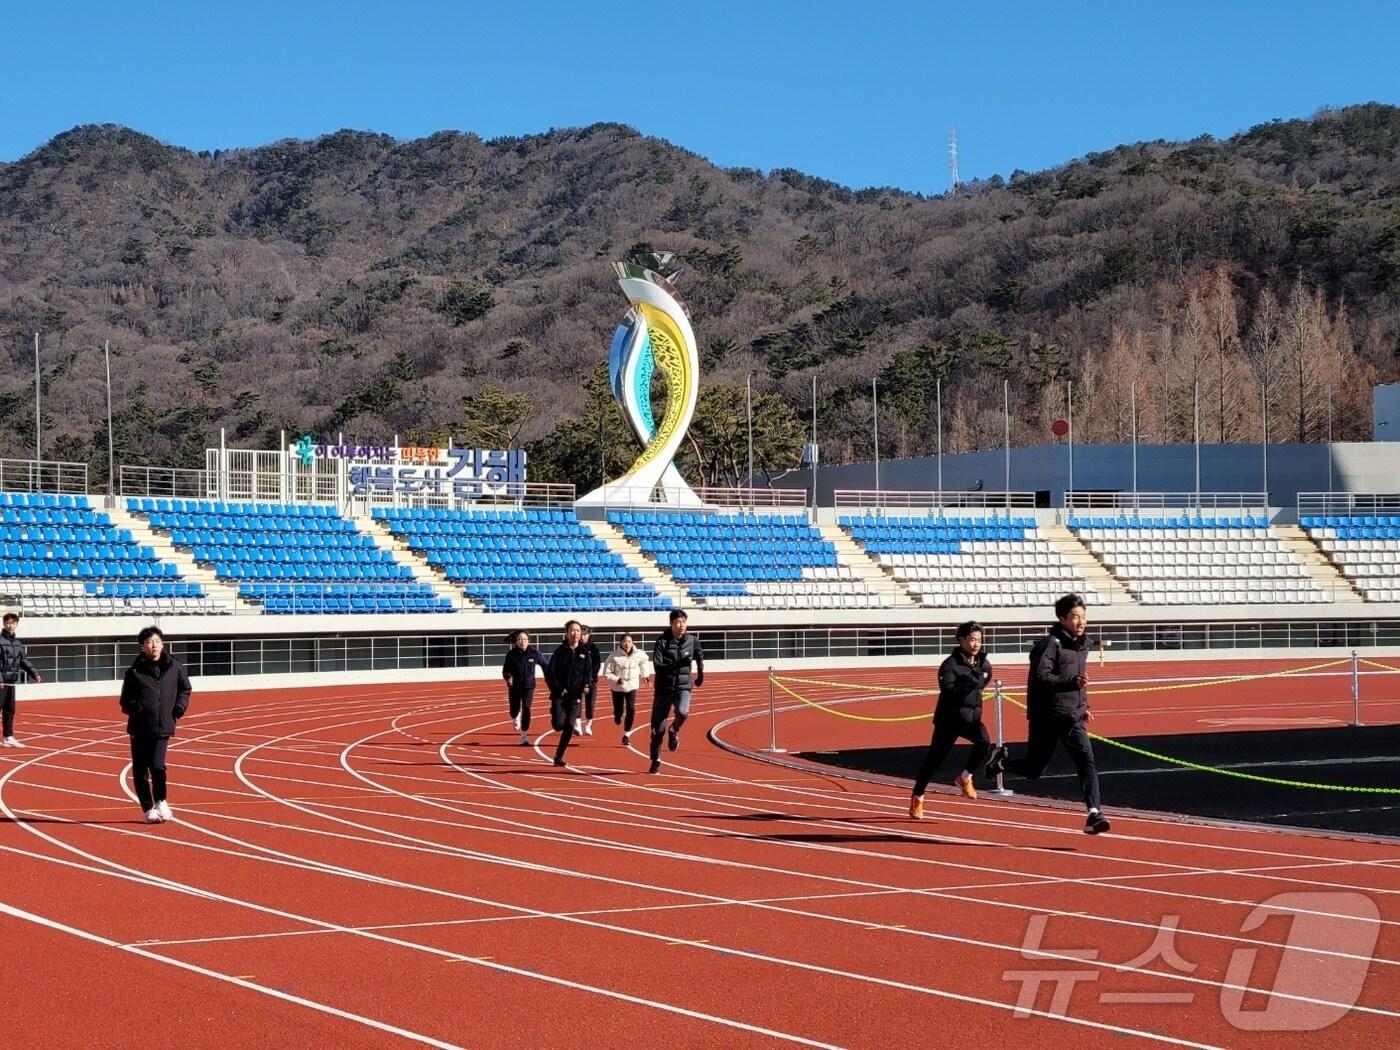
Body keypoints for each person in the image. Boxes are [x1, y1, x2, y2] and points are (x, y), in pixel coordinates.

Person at [986, 594, 1111, 835]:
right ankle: (1001, 762)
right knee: (1034, 769)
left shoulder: (1082, 645)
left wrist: (1083, 707)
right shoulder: (1050, 644)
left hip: (1071, 716)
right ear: (1062, 618)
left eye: (1083, 617)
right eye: (1075, 617)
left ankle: (1094, 813)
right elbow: (1041, 677)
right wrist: (1071, 682)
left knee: (1086, 761)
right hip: (1046, 716)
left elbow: (1080, 681)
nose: (1081, 622)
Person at [909, 620, 992, 819]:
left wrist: (975, 682)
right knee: (934, 761)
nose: (976, 644)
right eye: (972, 639)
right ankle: (918, 796)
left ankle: (965, 778)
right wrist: (968, 683)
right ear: (961, 640)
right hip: (949, 720)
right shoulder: (950, 665)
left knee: (984, 742)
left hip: (971, 719)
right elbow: (949, 690)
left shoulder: (984, 663)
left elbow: (984, 681)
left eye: (979, 640)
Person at [118, 626, 192, 823]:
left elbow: (185, 689)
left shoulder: (175, 668)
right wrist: (138, 708)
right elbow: (124, 701)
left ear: (163, 643)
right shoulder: (133, 672)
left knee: (158, 766)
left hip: (163, 725)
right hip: (140, 727)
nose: (154, 645)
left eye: (157, 641)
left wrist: (180, 706)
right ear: (142, 646)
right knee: (141, 769)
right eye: (149, 642)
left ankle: (161, 800)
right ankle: (148, 809)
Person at [648, 609, 704, 774]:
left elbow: (699, 656)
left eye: (684, 622)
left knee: (683, 712)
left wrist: (700, 674)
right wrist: (676, 665)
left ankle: (673, 731)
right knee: (658, 730)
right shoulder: (661, 642)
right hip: (663, 689)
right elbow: (657, 666)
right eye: (678, 622)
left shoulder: (693, 641)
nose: (681, 625)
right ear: (671, 624)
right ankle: (656, 760)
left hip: (683, 686)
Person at [545, 620, 594, 768]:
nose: (575, 633)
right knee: (558, 725)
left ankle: (558, 756)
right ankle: (555, 713)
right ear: (566, 633)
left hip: (575, 696)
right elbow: (550, 674)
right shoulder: (560, 652)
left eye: (578, 630)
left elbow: (588, 673)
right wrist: (558, 688)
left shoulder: (584, 653)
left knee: (570, 725)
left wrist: (587, 685)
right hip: (559, 695)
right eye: (572, 630)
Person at [1, 612, 41, 748]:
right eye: (7, 622)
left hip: (11, 682)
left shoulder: (18, 644)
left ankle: (8, 737)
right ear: (4, 624)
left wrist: (34, 674)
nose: (10, 625)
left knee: (9, 710)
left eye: (13, 623)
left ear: (16, 624)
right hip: (1, 682)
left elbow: (24, 661)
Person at [603, 633, 652, 746]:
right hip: (618, 687)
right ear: (620, 643)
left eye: (629, 641)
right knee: (619, 710)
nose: (627, 644)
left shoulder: (639, 654)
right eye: (624, 641)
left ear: (632, 643)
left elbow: (644, 662)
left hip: (632, 685)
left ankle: (626, 735)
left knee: (631, 708)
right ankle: (617, 715)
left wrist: (645, 676)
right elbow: (606, 673)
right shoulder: (613, 657)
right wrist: (617, 679)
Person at [501, 630, 545, 746]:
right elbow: (505, 670)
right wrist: (508, 677)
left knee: (527, 708)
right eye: (520, 639)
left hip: (529, 687)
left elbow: (545, 665)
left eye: (525, 639)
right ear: (516, 641)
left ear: (528, 641)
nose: (522, 641)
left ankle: (524, 735)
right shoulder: (511, 654)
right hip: (514, 687)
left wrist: (550, 676)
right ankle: (515, 716)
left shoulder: (534, 653)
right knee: (514, 710)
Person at [576, 626, 602, 735]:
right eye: (581, 635)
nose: (582, 637)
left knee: (590, 705)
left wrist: (590, 677)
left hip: (592, 680)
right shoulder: (575, 647)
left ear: (589, 635)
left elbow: (597, 664)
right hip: (578, 681)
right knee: (577, 702)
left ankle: (588, 725)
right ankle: (577, 726)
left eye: (585, 634)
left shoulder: (594, 648)